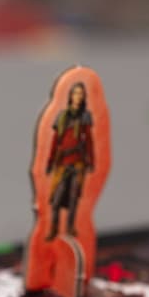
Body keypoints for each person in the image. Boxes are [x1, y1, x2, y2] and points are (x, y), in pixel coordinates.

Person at [45, 82, 94, 240]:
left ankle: (70, 228)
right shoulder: (62, 117)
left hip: (78, 162)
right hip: (62, 162)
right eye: (76, 93)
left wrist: (91, 160)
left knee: (73, 198)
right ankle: (54, 228)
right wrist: (50, 162)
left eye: (81, 94)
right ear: (71, 96)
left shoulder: (85, 117)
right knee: (56, 199)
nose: (78, 96)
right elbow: (55, 141)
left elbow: (89, 140)